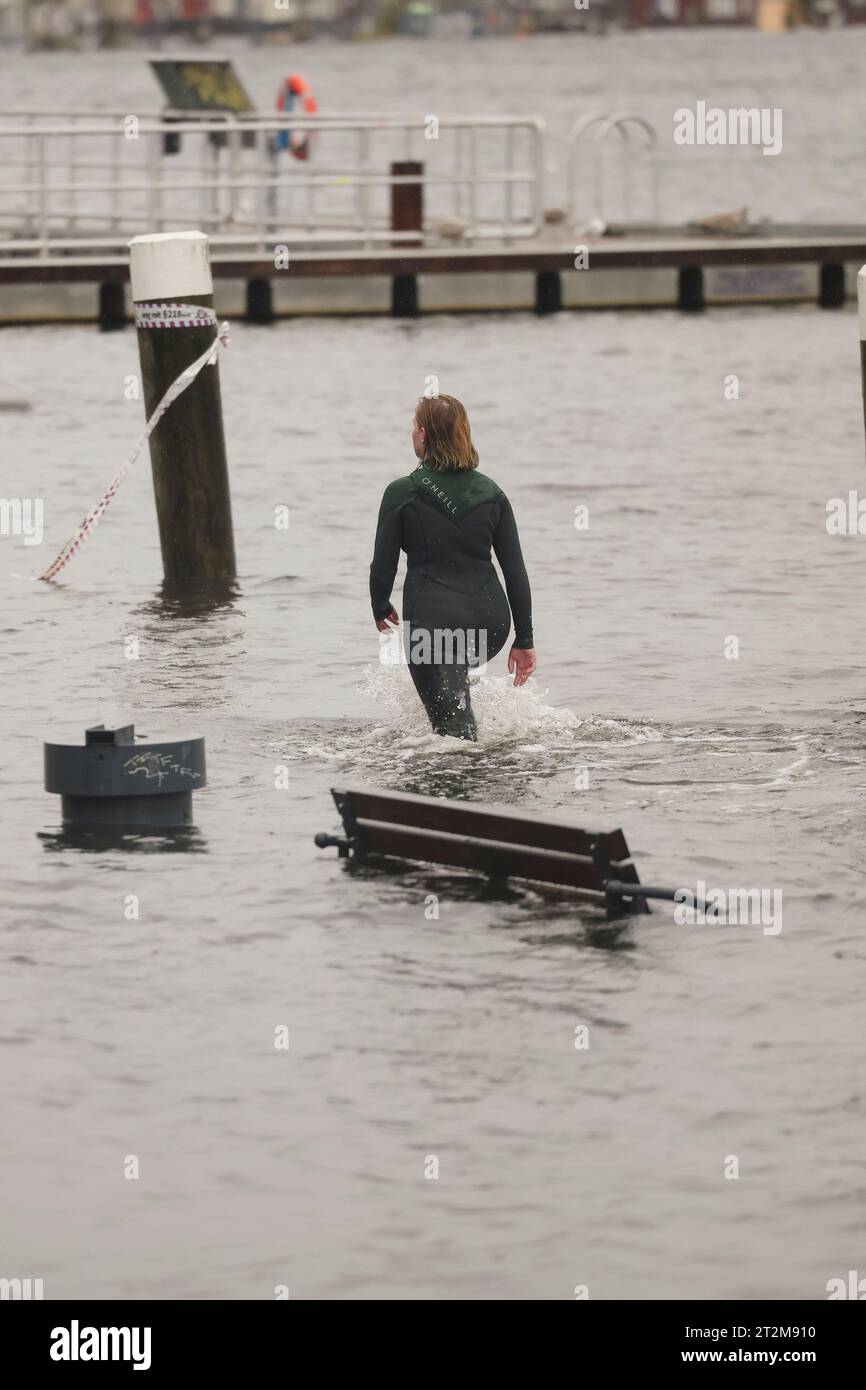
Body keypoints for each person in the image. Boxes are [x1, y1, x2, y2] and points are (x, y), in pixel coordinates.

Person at [369, 395, 536, 741]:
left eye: (414, 426)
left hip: (434, 624)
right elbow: (515, 571)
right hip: (490, 624)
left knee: (451, 735)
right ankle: (489, 767)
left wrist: (380, 605)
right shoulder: (492, 493)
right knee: (454, 694)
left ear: (424, 434)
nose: (411, 433)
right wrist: (524, 639)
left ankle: (459, 781)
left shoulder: (403, 492)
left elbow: (382, 568)